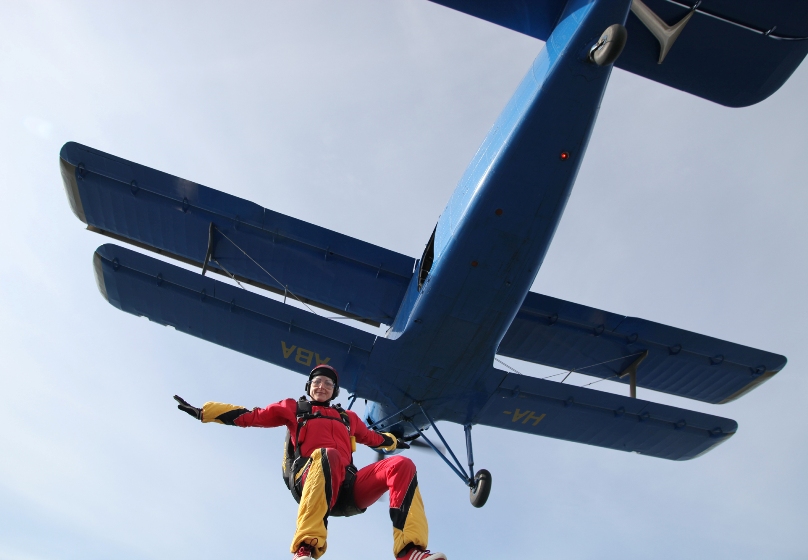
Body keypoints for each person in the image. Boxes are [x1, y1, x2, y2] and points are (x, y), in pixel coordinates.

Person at [174, 364, 447, 560]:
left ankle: (410, 551)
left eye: (328, 384)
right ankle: (305, 548)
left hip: (346, 487)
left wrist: (395, 442)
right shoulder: (294, 409)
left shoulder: (348, 418)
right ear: (309, 387)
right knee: (329, 454)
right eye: (317, 382)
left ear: (334, 391)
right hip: (310, 478)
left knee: (401, 465)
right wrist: (205, 412)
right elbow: (252, 416)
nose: (322, 386)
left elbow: (374, 438)